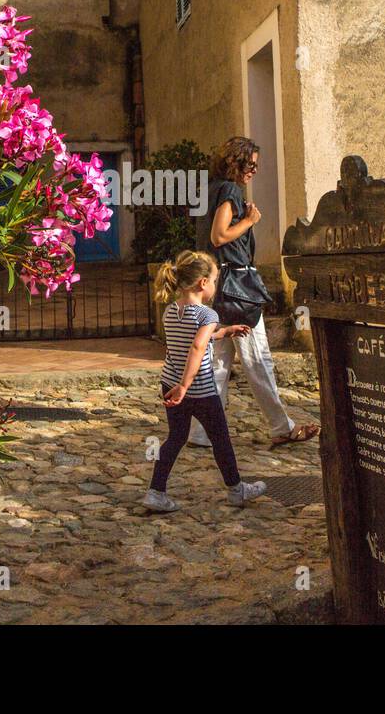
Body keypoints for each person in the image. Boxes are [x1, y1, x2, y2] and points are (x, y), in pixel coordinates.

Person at [189, 136, 320, 449]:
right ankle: (281, 426)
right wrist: (249, 220)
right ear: (237, 161)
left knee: (219, 364)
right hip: (237, 291)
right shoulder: (230, 191)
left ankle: (200, 432)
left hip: (216, 287)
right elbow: (219, 236)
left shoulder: (209, 190)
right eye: (251, 164)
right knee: (258, 359)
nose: (254, 171)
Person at [142, 250, 267, 513]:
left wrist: (225, 332)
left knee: (175, 438)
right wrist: (186, 385)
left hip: (169, 383)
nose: (215, 286)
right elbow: (197, 346)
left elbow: (194, 338)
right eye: (214, 281)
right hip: (198, 389)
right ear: (202, 283)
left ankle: (155, 492)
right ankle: (236, 489)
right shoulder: (207, 315)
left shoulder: (171, 311)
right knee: (220, 438)